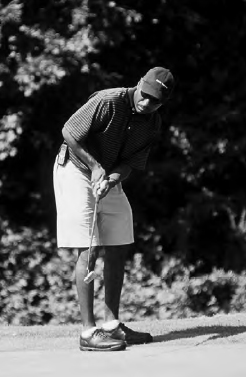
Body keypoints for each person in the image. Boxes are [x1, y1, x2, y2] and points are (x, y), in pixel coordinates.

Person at [53, 66, 175, 351]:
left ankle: (111, 325)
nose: (147, 103)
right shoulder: (109, 100)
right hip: (74, 168)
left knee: (119, 242)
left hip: (107, 176)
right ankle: (88, 332)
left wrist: (111, 179)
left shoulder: (152, 123)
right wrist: (95, 168)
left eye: (155, 101)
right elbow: (69, 132)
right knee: (90, 247)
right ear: (138, 84)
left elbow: (131, 162)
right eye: (145, 95)